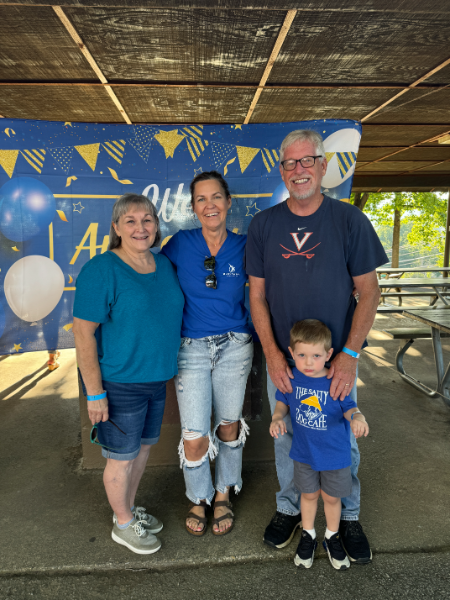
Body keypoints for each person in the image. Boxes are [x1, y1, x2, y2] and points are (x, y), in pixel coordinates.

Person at [245, 129, 388, 563]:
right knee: (288, 435)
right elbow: (256, 296)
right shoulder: (264, 225)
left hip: (333, 363)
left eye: (308, 161)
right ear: (283, 171)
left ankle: (346, 515)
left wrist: (348, 355)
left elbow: (370, 292)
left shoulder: (349, 221)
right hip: (288, 363)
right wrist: (271, 354)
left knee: (342, 436)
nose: (299, 170)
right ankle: (292, 509)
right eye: (290, 163)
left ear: (324, 167)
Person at [72, 193, 184, 555]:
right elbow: (82, 333)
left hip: (156, 381)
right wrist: (94, 393)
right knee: (121, 457)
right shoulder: (101, 269)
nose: (141, 227)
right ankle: (122, 524)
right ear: (116, 228)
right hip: (119, 384)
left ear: (156, 226)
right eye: (131, 221)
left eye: (147, 220)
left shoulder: (163, 265)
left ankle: (129, 510)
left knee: (142, 452)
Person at [161, 171, 253, 537]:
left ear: (229, 202)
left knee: (229, 425)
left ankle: (222, 492)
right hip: (192, 348)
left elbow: (271, 284)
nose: (209, 205)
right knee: (194, 433)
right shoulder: (179, 244)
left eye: (216, 197)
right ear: (194, 207)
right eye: (201, 199)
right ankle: (197, 496)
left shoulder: (245, 245)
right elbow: (151, 278)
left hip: (235, 345)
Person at [270, 319, 369, 570]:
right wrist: (276, 416)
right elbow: (282, 400)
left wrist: (358, 417)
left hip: (335, 457)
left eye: (316, 355)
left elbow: (349, 407)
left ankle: (332, 537)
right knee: (309, 494)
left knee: (332, 498)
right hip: (304, 455)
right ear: (291, 353)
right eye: (301, 355)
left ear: (329, 354)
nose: (308, 362)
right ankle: (309, 534)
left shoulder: (336, 380)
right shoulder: (292, 379)